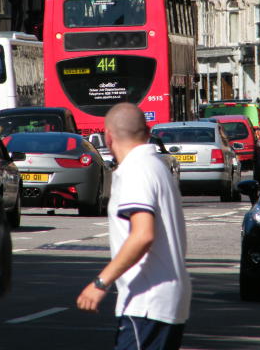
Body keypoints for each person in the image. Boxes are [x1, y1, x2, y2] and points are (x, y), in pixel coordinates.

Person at [76, 103, 191, 350]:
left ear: (107, 136)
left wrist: (100, 283)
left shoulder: (135, 170)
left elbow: (143, 234)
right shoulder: (157, 166)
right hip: (165, 300)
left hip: (147, 302)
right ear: (148, 130)